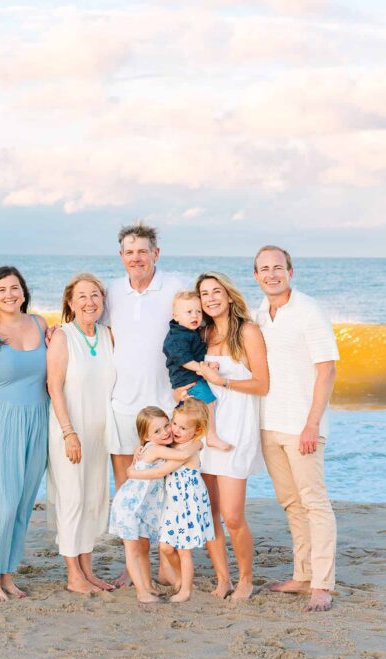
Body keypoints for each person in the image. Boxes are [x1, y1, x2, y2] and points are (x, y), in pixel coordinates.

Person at [253, 245, 339, 612]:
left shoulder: (308, 310)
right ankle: (302, 575)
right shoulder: (260, 313)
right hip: (269, 423)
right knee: (291, 503)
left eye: (278, 268)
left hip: (302, 426)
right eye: (264, 269)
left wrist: (311, 424)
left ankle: (322, 584)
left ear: (291, 271)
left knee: (315, 503)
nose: (271, 274)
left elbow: (327, 369)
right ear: (256, 276)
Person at [0, 266, 50, 602]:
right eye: (2, 290)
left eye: (15, 288)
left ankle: (8, 575)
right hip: (0, 424)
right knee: (3, 503)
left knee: (22, 505)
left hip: (38, 422)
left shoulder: (41, 324)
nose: (10, 295)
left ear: (23, 291)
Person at [189, 272, 269, 602]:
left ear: (228, 294)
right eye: (204, 294)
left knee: (233, 515)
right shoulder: (201, 333)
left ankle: (246, 578)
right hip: (206, 431)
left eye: (216, 291)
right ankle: (223, 579)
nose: (210, 298)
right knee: (210, 513)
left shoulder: (247, 331)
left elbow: (262, 384)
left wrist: (224, 383)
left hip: (237, 429)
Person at [46, 273, 117, 594]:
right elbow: (54, 387)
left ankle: (87, 571)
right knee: (72, 497)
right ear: (71, 303)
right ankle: (73, 574)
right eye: (82, 297)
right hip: (70, 429)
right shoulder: (62, 336)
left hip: (100, 432)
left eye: (95, 296)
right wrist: (67, 432)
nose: (89, 302)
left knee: (93, 498)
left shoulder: (108, 335)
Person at [104, 223, 188, 491]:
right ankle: (127, 533)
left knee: (165, 482)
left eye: (142, 251)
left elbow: (199, 326)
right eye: (129, 252)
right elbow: (99, 332)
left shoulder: (176, 286)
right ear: (121, 256)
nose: (135, 258)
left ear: (156, 253)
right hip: (122, 403)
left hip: (165, 401)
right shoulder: (112, 291)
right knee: (125, 482)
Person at [125, 399, 214, 604]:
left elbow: (161, 471)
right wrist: (139, 450)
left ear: (197, 430)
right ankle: (180, 578)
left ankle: (185, 589)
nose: (175, 430)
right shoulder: (173, 445)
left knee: (183, 550)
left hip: (187, 503)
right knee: (166, 548)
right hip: (172, 505)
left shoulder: (189, 447)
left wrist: (131, 473)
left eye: (183, 427)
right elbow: (153, 449)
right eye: (174, 424)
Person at [108, 406, 200, 603]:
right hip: (129, 506)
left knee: (144, 548)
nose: (166, 432)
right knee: (133, 550)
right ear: (146, 436)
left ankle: (148, 585)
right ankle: (142, 591)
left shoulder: (158, 447)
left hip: (142, 507)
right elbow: (182, 457)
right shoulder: (156, 449)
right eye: (157, 431)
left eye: (167, 425)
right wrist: (198, 444)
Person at [163, 290, 232, 452]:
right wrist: (203, 368)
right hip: (187, 380)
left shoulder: (189, 332)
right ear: (176, 316)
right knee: (209, 402)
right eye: (189, 312)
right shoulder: (177, 336)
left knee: (191, 411)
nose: (195, 316)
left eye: (198, 311)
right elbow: (184, 359)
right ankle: (211, 436)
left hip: (192, 377)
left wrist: (206, 365)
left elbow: (196, 354)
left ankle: (185, 437)